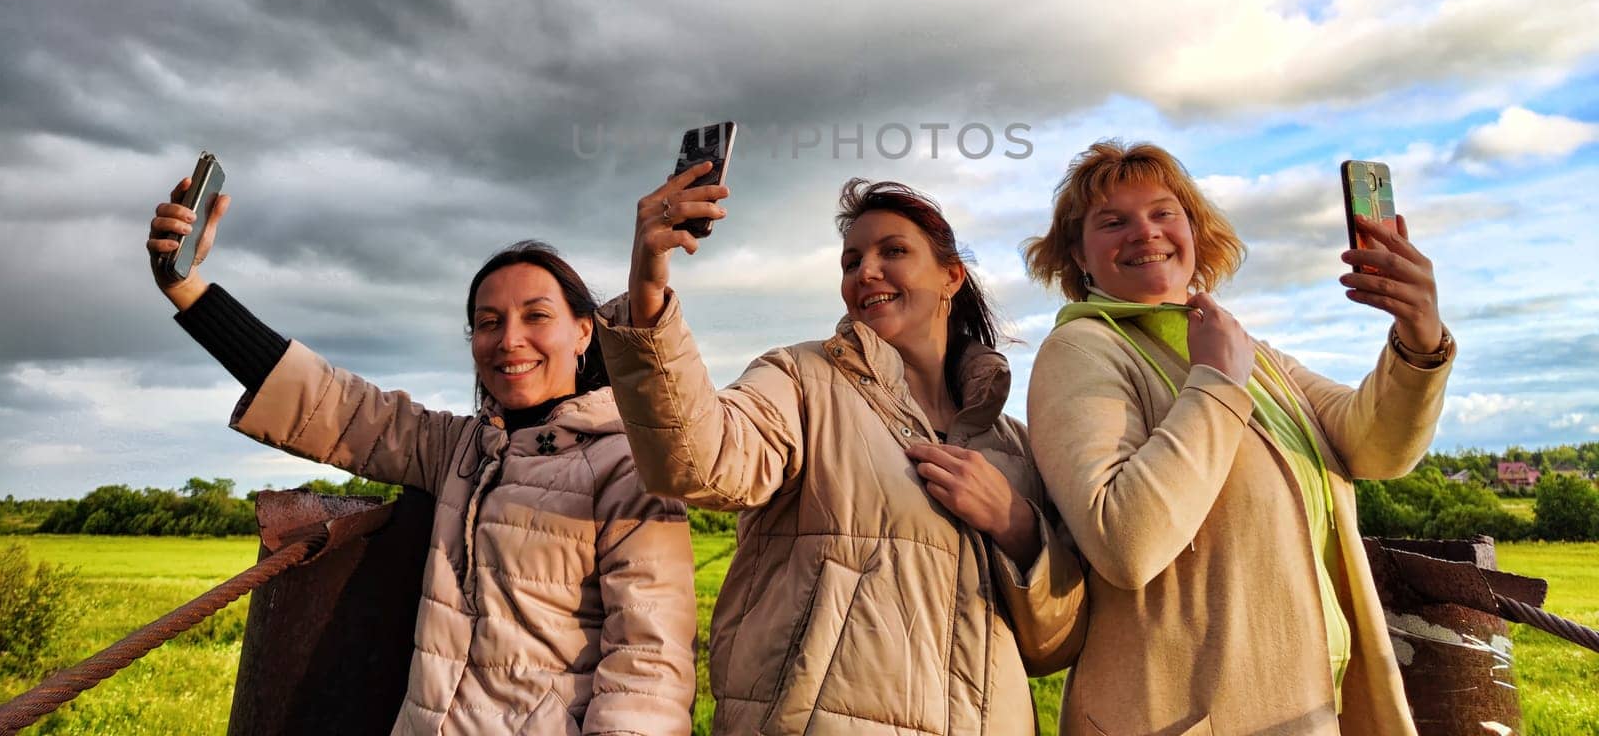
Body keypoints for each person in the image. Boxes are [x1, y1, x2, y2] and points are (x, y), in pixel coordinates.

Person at [145, 173, 696, 736]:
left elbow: (647, 667)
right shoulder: (458, 450)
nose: (509, 340)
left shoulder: (630, 464)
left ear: (583, 333)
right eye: (488, 323)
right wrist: (185, 288)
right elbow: (333, 404)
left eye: (536, 316)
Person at [595, 167, 1085, 736]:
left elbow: (1056, 645)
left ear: (952, 276)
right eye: (851, 262)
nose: (866, 272)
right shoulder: (802, 379)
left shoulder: (1015, 447)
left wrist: (1016, 524)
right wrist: (648, 294)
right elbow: (700, 460)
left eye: (892, 251)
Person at [1023, 140, 1454, 736]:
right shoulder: (1081, 350)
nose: (1145, 232)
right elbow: (1123, 541)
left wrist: (1419, 339)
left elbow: (1375, 447)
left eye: (1162, 212)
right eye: (1113, 222)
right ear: (1079, 254)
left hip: (1315, 706)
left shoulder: (1251, 351)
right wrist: (1216, 383)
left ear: (1194, 230)